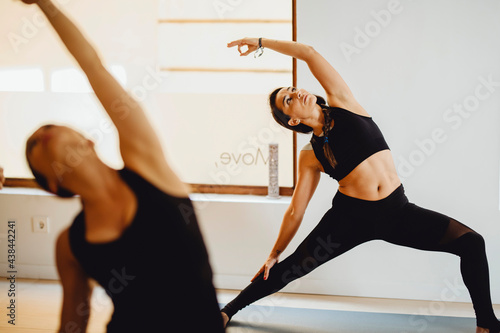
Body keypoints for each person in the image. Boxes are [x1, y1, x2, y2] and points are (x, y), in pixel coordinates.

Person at [222, 37, 500, 333]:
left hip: (397, 212)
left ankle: (487, 324)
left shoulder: (343, 102)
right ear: (291, 121)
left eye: (293, 89)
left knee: (471, 242)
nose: (296, 93)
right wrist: (273, 253)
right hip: (349, 219)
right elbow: (295, 210)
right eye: (288, 100)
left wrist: (262, 42)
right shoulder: (310, 154)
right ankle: (228, 310)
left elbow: (308, 52)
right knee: (290, 267)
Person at [20, 1, 224, 332]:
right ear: (54, 185)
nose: (43, 134)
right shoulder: (70, 244)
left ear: (88, 140)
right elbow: (74, 320)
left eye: (50, 127)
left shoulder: (146, 163)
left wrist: (44, 3)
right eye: (34, 146)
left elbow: (92, 66)